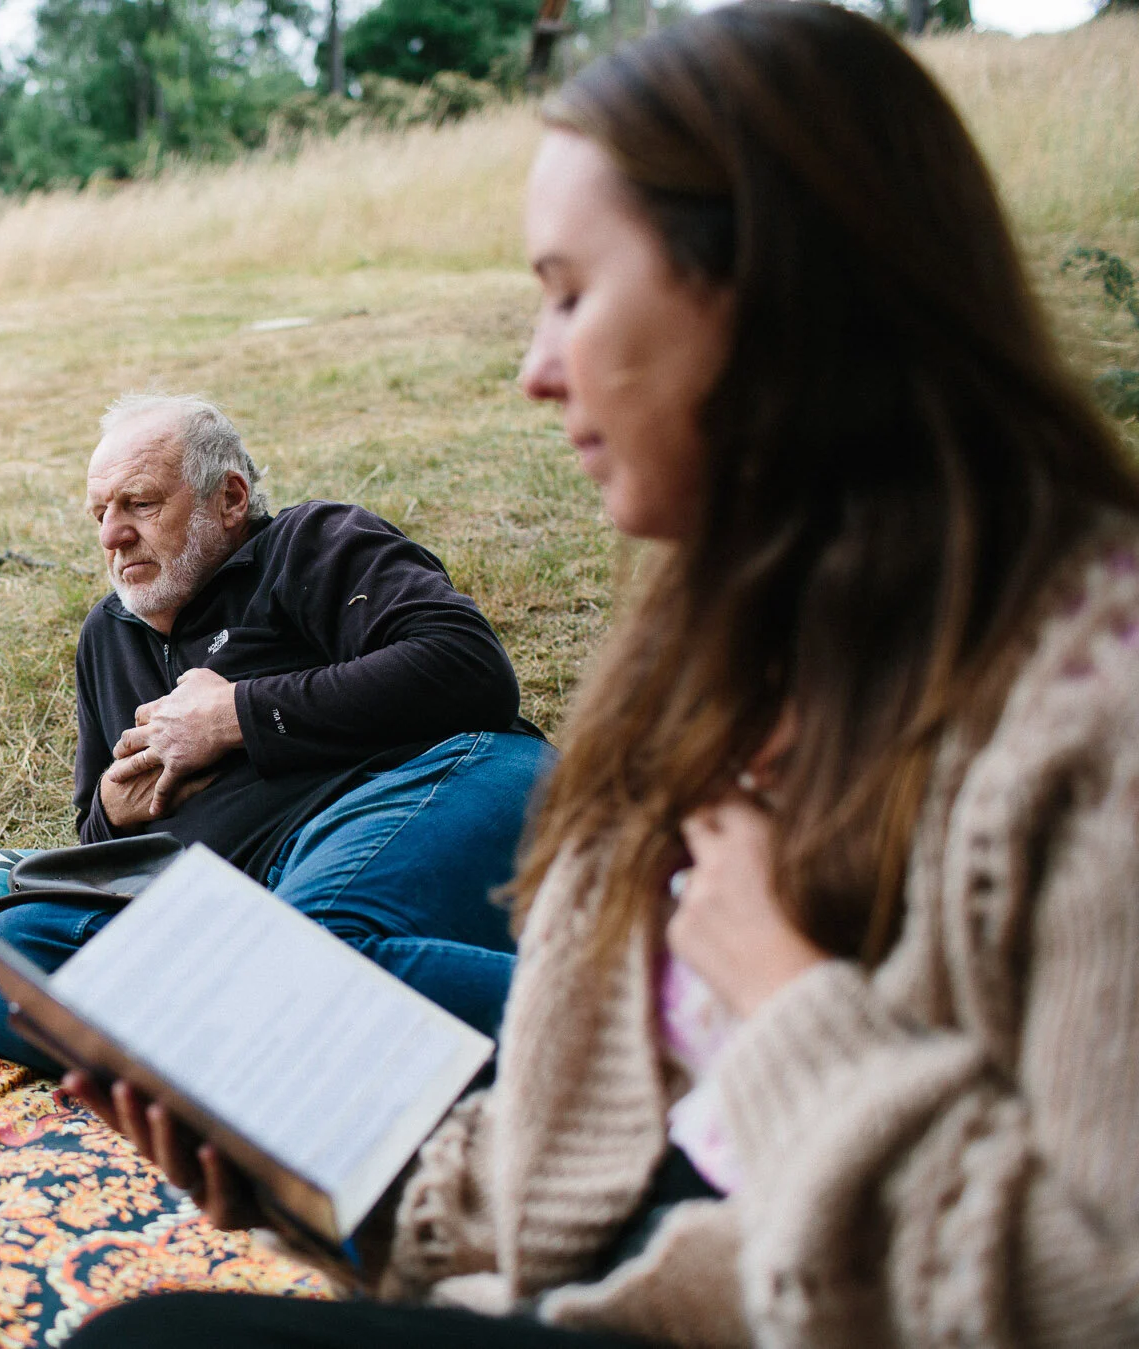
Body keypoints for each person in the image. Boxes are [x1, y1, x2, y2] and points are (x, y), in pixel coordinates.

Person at [61, 4, 1139, 1346]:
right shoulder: (701, 652)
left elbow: (1092, 1297)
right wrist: (313, 1176)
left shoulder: (1094, 715)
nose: (533, 366)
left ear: (772, 296)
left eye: (573, 292)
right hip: (648, 1275)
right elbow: (579, 1159)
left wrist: (786, 994)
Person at [0, 393, 555, 1066]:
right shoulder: (107, 637)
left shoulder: (311, 543)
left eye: (140, 503)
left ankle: (652, 1029)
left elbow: (468, 667)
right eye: (101, 513)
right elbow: (96, 844)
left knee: (323, 944)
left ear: (231, 498)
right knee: (12, 964)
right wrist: (110, 807)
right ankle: (284, 1050)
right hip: (246, 897)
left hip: (430, 782)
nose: (111, 535)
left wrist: (233, 716)